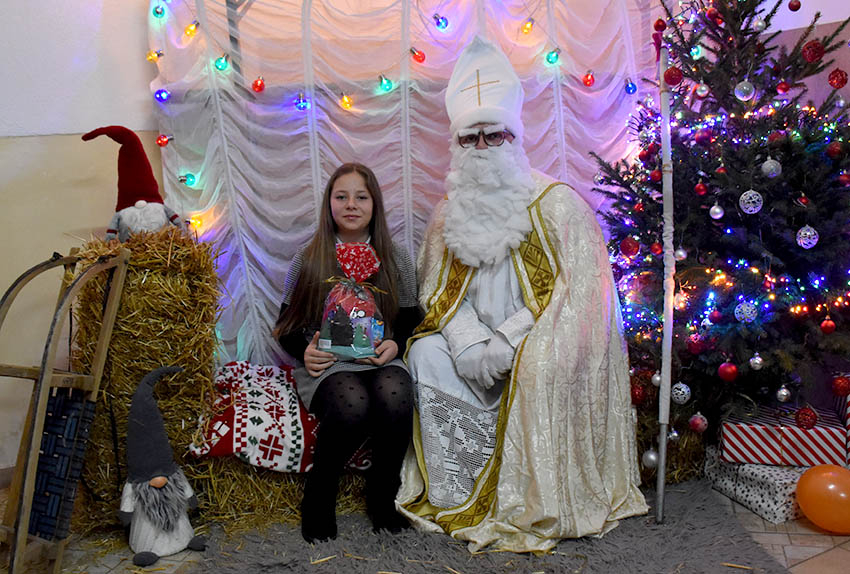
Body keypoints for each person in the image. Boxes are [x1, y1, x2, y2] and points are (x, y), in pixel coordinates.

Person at [398, 36, 648, 553]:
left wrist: (511, 341)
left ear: (515, 137)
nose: (482, 149)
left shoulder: (557, 206)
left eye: (494, 136)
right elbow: (436, 286)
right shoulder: (448, 214)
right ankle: (459, 489)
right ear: (457, 144)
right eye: (471, 139)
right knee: (423, 351)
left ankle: (526, 495)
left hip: (533, 342)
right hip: (473, 353)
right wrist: (467, 343)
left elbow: (581, 294)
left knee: (538, 365)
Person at [273, 163, 420, 543]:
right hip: (327, 362)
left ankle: (382, 498)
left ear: (375, 204)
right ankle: (319, 498)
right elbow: (285, 325)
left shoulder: (397, 258)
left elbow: (408, 316)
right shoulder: (308, 259)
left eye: (361, 196)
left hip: (379, 356)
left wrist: (397, 344)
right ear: (329, 204)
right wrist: (305, 352)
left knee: (396, 394)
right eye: (341, 196)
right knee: (352, 404)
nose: (351, 204)